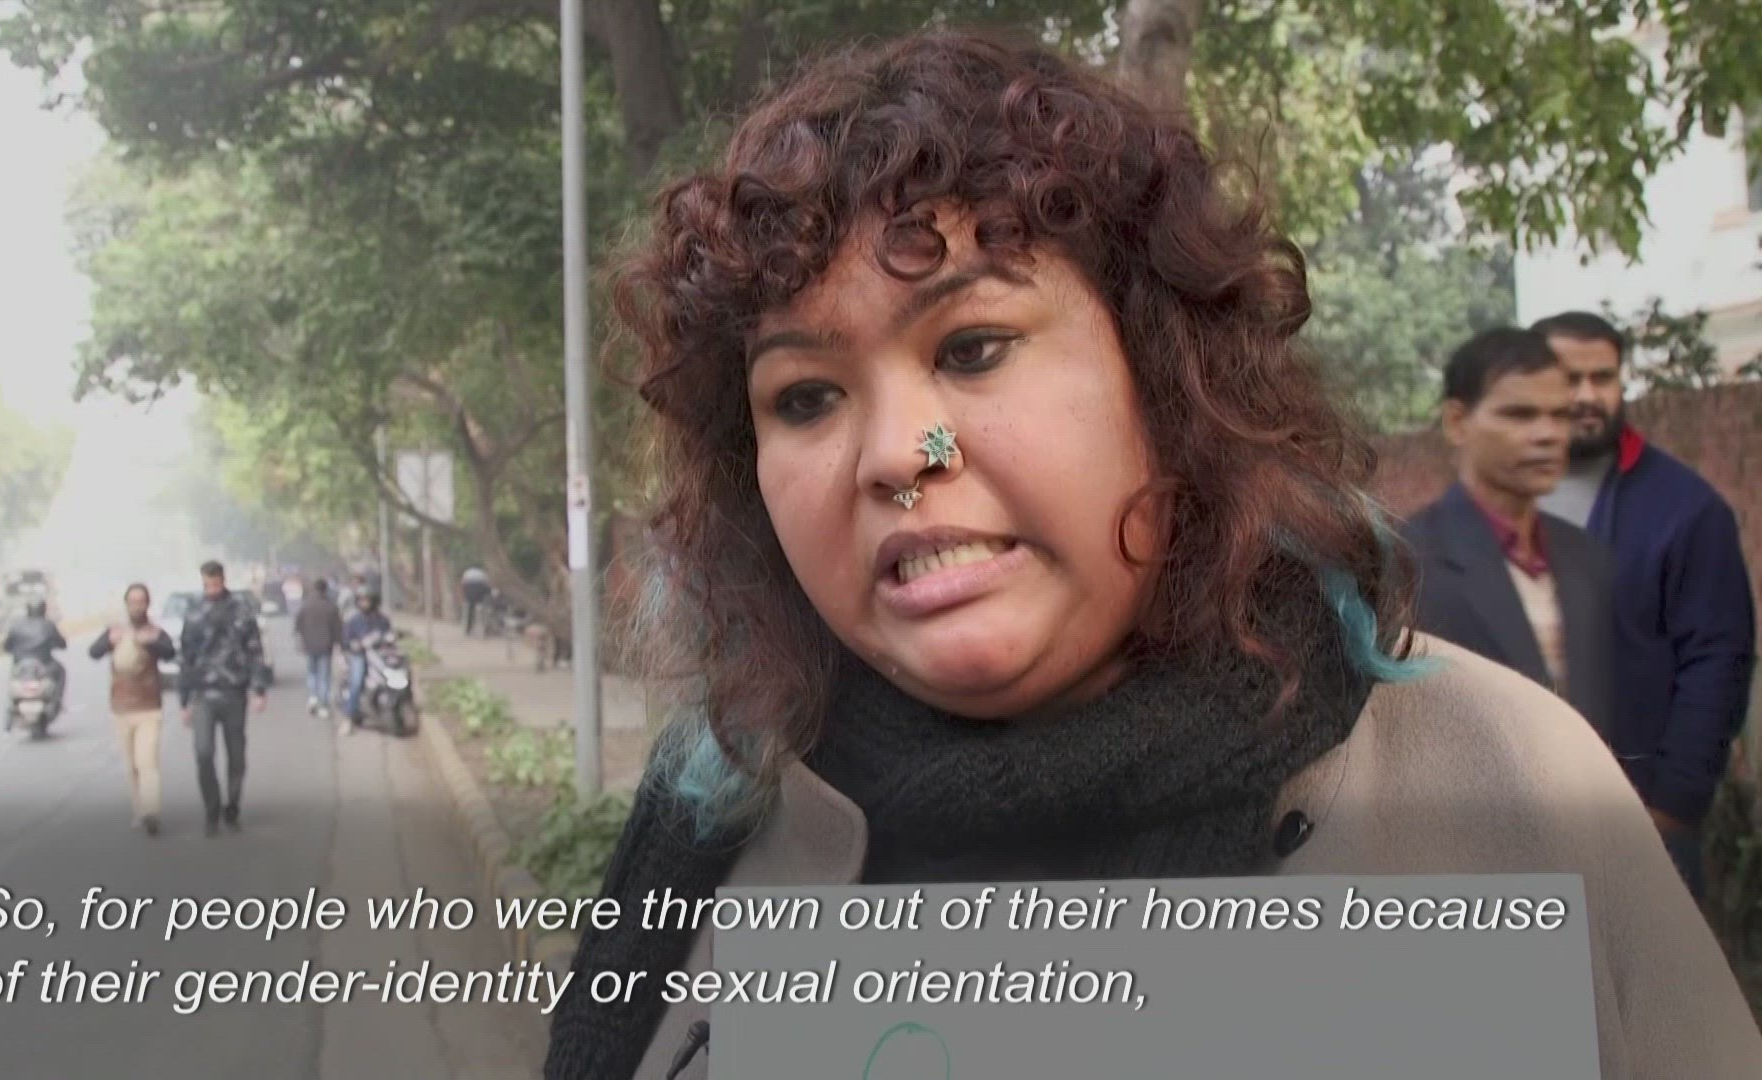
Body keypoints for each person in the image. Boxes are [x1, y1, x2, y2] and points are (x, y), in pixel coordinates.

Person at [542, 31, 1761, 1079]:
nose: (897, 455)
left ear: (1167, 386)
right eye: (806, 398)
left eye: (972, 349)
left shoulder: (1505, 784)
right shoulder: (722, 807)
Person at [1531, 310, 1759, 901]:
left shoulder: (1686, 512)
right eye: (1568, 378)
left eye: (1602, 378)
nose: (1587, 395)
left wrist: (1673, 807)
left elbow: (1718, 660)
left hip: (1639, 823)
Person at [1403, 328, 1615, 737]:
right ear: (1457, 422)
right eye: (1520, 414)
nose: (1549, 435)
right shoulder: (1408, 562)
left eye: (1560, 415)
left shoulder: (1588, 556)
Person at [176, 560, 270, 836]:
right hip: (203, 694)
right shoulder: (194, 611)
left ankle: (233, 807)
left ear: (223, 579)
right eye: (208, 584)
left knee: (236, 755)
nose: (212, 589)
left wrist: (259, 689)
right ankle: (212, 809)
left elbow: (255, 651)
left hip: (234, 692)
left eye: (216, 583)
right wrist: (184, 700)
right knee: (203, 753)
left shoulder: (241, 610)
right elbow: (186, 657)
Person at [86, 584, 176, 836]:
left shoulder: (155, 632)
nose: (137, 606)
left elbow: (170, 653)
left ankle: (151, 812)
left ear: (148, 604)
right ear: (127, 604)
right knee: (132, 766)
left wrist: (150, 643)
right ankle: (140, 811)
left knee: (147, 762)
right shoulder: (116, 631)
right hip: (122, 707)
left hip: (149, 707)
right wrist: (110, 641)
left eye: (141, 601)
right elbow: (93, 652)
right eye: (133, 602)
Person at [0, 596, 67, 729]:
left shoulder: (17, 626)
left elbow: (6, 647)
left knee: (13, 676)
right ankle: (56, 700)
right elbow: (62, 643)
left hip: (21, 666)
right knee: (61, 671)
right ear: (43, 609)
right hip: (44, 665)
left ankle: (11, 707)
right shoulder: (48, 625)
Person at [340, 585, 392, 735]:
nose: (364, 603)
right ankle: (349, 718)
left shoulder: (382, 619)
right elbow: (346, 639)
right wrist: (354, 644)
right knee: (356, 682)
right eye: (361, 600)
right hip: (360, 656)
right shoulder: (354, 620)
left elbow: (389, 634)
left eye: (367, 600)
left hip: (380, 655)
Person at [294, 578, 344, 717]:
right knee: (324, 676)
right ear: (325, 589)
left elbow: (298, 625)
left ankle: (313, 697)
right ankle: (323, 704)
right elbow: (338, 628)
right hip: (325, 646)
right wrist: (340, 644)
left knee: (312, 672)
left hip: (309, 645)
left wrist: (301, 641)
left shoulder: (305, 605)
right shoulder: (330, 606)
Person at [461, 565, 492, 636]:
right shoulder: (482, 574)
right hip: (479, 599)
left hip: (469, 598)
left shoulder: (467, 573)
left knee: (469, 612)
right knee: (482, 610)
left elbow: (463, 584)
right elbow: (487, 587)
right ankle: (483, 629)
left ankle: (468, 629)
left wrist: (465, 595)